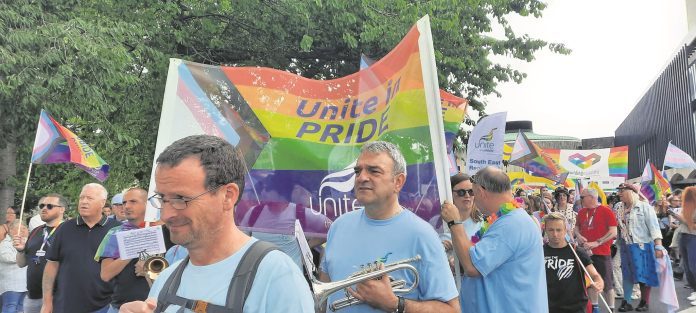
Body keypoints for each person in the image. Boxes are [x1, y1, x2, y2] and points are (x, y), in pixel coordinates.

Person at [120, 134, 313, 313]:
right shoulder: (165, 280)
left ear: (228, 196)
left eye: (181, 198)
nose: (167, 213)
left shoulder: (277, 277)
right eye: (162, 198)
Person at [320, 141, 459, 313]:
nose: (361, 177)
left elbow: (452, 310)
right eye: (358, 171)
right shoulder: (338, 227)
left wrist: (396, 304)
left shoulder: (422, 235)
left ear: (398, 182)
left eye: (374, 171)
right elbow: (326, 291)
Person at [441, 166, 547, 312]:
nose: (472, 198)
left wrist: (454, 222)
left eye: (473, 192)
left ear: (481, 192)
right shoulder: (508, 219)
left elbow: (472, 268)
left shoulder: (511, 223)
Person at [42, 183, 121, 313]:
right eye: (81, 198)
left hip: (104, 307)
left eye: (89, 198)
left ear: (102, 203)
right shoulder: (65, 228)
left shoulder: (116, 230)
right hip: (64, 305)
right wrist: (47, 302)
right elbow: (52, 265)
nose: (84, 202)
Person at [95, 188, 151, 313]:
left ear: (147, 204)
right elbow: (106, 274)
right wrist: (132, 250)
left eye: (133, 202)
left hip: (155, 306)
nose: (126, 206)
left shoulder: (161, 230)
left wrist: (149, 272)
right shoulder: (115, 233)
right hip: (121, 307)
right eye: (124, 202)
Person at [614, 183, 663, 312]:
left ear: (631, 192)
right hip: (626, 245)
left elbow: (654, 228)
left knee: (644, 274)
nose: (619, 194)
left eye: (622, 191)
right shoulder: (618, 207)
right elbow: (618, 227)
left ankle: (644, 301)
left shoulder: (644, 207)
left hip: (643, 245)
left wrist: (658, 247)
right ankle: (627, 301)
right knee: (627, 274)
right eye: (619, 191)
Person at [13, 194, 66, 313]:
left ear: (62, 209)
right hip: (32, 296)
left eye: (50, 206)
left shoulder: (67, 231)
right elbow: (21, 264)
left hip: (57, 297)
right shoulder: (36, 231)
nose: (44, 208)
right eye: (41, 205)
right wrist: (20, 250)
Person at [543, 212, 604, 313]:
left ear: (566, 230)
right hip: (548, 306)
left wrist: (599, 283)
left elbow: (594, 275)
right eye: (551, 230)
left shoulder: (577, 251)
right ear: (545, 230)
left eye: (559, 230)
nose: (555, 234)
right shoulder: (541, 252)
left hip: (576, 307)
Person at [439, 173, 482, 308]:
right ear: (451, 194)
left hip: (473, 292)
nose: (467, 196)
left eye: (471, 191)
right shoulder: (438, 223)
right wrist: (441, 251)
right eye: (461, 192)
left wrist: (459, 258)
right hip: (445, 293)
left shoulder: (483, 222)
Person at [575, 188, 618, 312]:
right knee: (589, 281)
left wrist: (597, 242)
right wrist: (578, 235)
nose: (580, 200)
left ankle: (611, 309)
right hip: (586, 253)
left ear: (592, 197)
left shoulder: (606, 210)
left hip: (602, 253)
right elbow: (577, 227)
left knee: (607, 284)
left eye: (582, 197)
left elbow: (613, 231)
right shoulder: (582, 212)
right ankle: (595, 308)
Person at [1, 220, 28, 313]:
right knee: (10, 306)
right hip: (11, 285)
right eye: (20, 229)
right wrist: (23, 255)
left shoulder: (26, 242)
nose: (23, 231)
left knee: (22, 307)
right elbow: (7, 257)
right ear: (11, 230)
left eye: (25, 228)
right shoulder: (5, 244)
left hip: (24, 283)